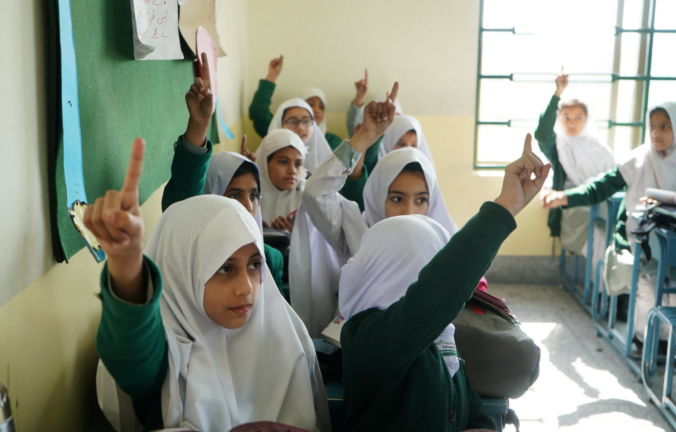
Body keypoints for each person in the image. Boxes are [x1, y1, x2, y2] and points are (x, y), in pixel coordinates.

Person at [88, 139, 330, 431]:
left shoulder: (285, 334)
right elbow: (131, 357)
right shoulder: (166, 350)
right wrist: (126, 266)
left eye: (255, 265)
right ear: (183, 269)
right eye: (225, 268)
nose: (247, 288)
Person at [339, 133, 551, 431]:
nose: (432, 275)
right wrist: (505, 207)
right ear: (385, 265)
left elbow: (470, 408)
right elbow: (435, 294)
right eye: (426, 264)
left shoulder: (441, 339)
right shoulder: (367, 337)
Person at [290, 83, 455, 336]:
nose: (409, 212)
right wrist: (364, 137)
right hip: (361, 353)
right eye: (397, 199)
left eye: (421, 200)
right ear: (378, 198)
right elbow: (315, 192)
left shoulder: (442, 241)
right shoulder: (356, 230)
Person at [542, 102, 676, 350]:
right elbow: (602, 186)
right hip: (638, 239)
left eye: (665, 126)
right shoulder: (640, 158)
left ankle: (665, 338)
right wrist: (565, 197)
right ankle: (645, 339)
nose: (656, 133)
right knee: (649, 287)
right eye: (652, 126)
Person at [160, 64, 285, 288]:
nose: (248, 206)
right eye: (234, 195)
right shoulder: (195, 248)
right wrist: (199, 124)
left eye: (254, 195)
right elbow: (186, 197)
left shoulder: (269, 259)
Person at [535, 72, 615, 259]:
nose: (572, 123)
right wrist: (558, 93)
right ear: (558, 119)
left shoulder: (599, 148)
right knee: (596, 234)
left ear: (587, 119)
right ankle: (601, 285)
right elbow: (542, 134)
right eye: (566, 117)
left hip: (602, 200)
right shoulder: (558, 146)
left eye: (578, 118)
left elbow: (613, 179)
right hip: (573, 204)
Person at [248, 56, 333, 173]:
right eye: (310, 104)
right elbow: (258, 112)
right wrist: (271, 77)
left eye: (306, 121)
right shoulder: (276, 137)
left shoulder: (332, 141)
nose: (316, 110)